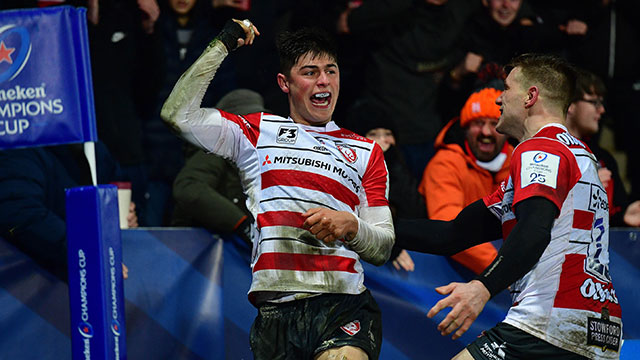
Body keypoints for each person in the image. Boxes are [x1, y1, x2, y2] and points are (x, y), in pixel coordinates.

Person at [161, 21, 394, 360]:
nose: (324, 81)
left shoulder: (366, 152)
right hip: (276, 316)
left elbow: (383, 245)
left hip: (343, 306)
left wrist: (352, 226)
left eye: (331, 70)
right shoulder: (256, 132)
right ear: (285, 83)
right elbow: (176, 114)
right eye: (310, 72)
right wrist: (223, 44)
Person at [396, 54, 622, 359]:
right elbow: (452, 233)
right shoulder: (581, 156)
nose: (499, 98)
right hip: (600, 330)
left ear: (530, 97)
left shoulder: (540, 150)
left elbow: (534, 230)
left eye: (506, 88)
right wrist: (365, 227)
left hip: (547, 325)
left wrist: (483, 287)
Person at [0, 143, 137, 281]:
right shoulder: (20, 148)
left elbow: (117, 186)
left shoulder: (91, 145)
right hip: (37, 284)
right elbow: (20, 214)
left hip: (91, 275)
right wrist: (84, 249)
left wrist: (131, 216)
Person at [419, 85, 512, 274]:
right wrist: (503, 269)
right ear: (466, 128)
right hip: (446, 271)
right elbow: (448, 224)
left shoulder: (520, 162)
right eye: (478, 123)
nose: (486, 132)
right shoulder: (446, 163)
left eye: (494, 123)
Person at [171, 89, 268, 245]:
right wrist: (241, 224)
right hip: (195, 253)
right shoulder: (213, 152)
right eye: (248, 122)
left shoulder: (258, 155)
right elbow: (188, 186)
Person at [566, 69, 640, 227]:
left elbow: (611, 217)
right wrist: (584, 186)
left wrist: (624, 216)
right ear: (570, 104)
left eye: (602, 102)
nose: (602, 110)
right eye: (595, 102)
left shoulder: (604, 158)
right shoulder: (547, 151)